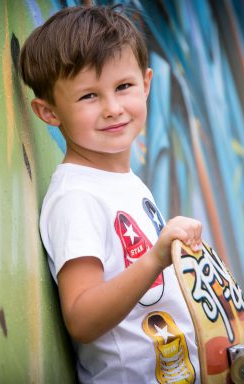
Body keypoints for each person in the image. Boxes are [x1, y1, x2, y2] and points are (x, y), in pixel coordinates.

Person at [19, 5, 204, 383]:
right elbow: (82, 318)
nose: (113, 108)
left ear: (146, 83)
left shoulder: (124, 182)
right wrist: (155, 259)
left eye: (123, 86)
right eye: (89, 96)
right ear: (49, 112)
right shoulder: (77, 197)